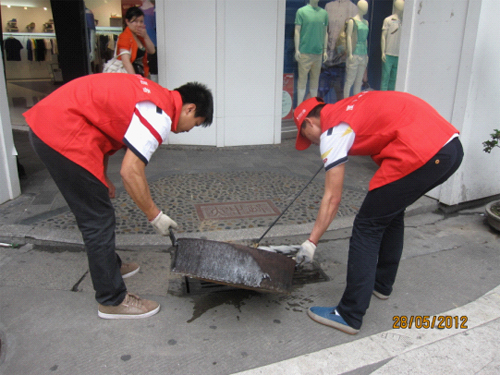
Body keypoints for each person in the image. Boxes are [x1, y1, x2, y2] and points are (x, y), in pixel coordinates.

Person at [24, 74, 213, 319]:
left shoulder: (153, 95)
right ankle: (111, 300)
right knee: (98, 219)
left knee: (98, 210)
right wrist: (155, 216)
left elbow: (100, 124)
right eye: (195, 124)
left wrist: (101, 176)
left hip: (59, 124)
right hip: (60, 132)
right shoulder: (159, 115)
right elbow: (131, 171)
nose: (189, 130)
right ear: (190, 108)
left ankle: (110, 267)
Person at [293, 91, 463, 334]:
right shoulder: (348, 108)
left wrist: (312, 241)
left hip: (423, 153)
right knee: (391, 212)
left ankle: (349, 314)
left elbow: (332, 198)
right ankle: (382, 284)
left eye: (306, 137)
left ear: (310, 122)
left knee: (367, 226)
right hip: (450, 148)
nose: (311, 143)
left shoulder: (332, 132)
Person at [294, 0, 329, 105]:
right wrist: (297, 49)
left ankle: (312, 106)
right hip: (304, 52)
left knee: (315, 82)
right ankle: (300, 106)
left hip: (318, 53)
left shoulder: (324, 13)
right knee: (302, 82)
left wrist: (324, 50)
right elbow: (297, 31)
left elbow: (325, 32)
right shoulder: (301, 11)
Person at [117, 6, 156, 77]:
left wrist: (145, 36)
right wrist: (135, 79)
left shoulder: (139, 36)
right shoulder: (124, 37)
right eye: (135, 21)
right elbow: (126, 62)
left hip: (140, 74)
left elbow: (152, 51)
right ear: (127, 21)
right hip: (128, 76)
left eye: (141, 21)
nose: (139, 24)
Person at [343, 0, 369, 98]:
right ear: (359, 7)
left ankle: (355, 103)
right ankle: (345, 102)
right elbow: (349, 37)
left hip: (363, 53)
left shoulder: (366, 22)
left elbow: (365, 39)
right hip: (354, 53)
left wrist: (366, 54)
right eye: (364, 6)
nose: (366, 8)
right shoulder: (352, 21)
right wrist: (350, 53)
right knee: (350, 80)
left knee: (358, 81)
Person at [380, 0, 404, 91]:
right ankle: (382, 99)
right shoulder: (388, 20)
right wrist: (383, 52)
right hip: (388, 53)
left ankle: (390, 99)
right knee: (385, 78)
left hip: (398, 55)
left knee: (394, 79)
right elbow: (383, 36)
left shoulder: (404, 21)